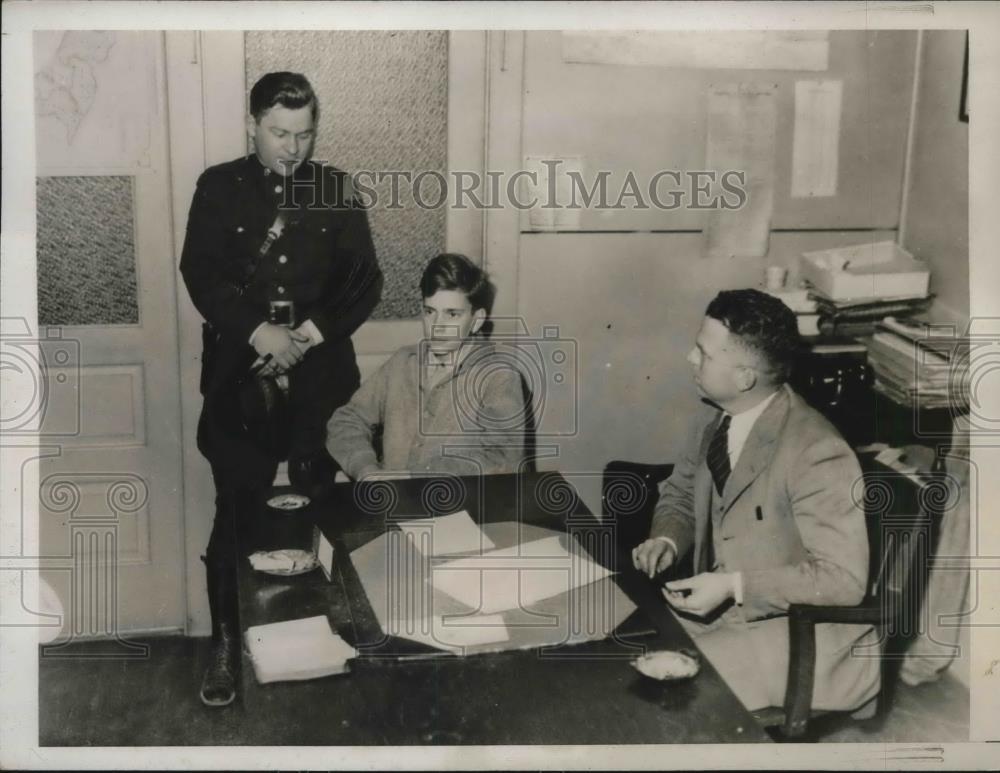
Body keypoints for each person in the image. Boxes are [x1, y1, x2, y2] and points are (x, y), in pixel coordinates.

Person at [180, 72, 381, 707]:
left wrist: (309, 335)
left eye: (304, 133)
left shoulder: (335, 189)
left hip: (320, 382)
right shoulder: (218, 187)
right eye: (279, 132)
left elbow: (363, 281)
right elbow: (200, 273)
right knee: (235, 516)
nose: (293, 148)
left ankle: (318, 649)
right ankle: (224, 646)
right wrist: (260, 331)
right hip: (241, 381)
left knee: (321, 514)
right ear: (252, 125)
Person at [632, 289, 880, 713]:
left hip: (803, 637)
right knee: (625, 654)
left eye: (703, 353)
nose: (691, 359)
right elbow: (680, 494)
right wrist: (667, 541)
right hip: (732, 615)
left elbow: (844, 580)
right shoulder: (715, 418)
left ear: (745, 377)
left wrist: (734, 585)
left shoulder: (816, 450)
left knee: (666, 699)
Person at [327, 253, 527, 480]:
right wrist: (364, 467)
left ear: (477, 320)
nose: (437, 327)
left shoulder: (499, 376)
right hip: (393, 502)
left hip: (460, 507)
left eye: (452, 314)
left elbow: (502, 461)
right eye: (430, 312)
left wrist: (416, 476)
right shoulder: (403, 362)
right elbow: (347, 419)